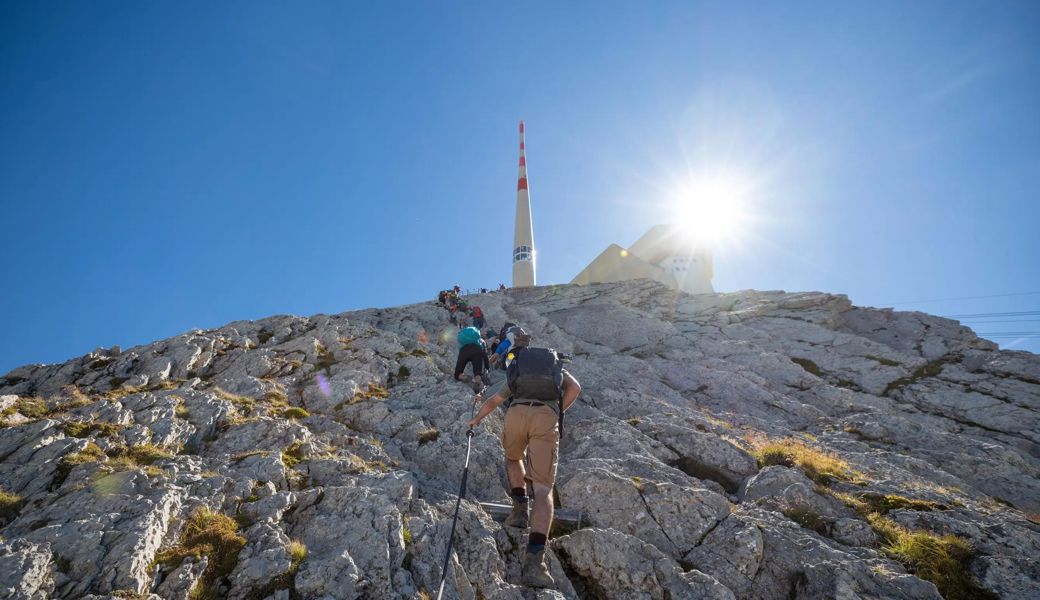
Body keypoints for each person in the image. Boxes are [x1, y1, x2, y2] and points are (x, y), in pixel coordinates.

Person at [467, 328, 581, 588]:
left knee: (512, 458)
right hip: (545, 417)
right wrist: (557, 410)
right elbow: (575, 388)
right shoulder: (556, 369)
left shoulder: (518, 372)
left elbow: (495, 399)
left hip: (516, 413)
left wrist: (476, 419)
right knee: (543, 489)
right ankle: (534, 564)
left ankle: (519, 511)